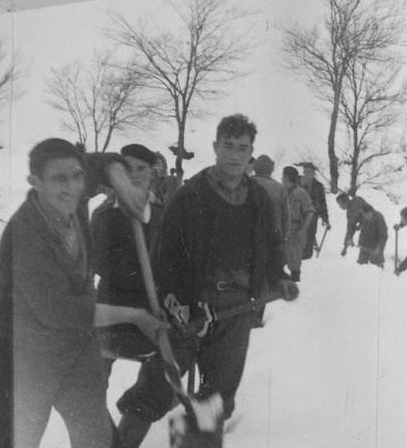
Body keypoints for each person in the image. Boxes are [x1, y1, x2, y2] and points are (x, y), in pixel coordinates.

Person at [119, 114, 299, 445]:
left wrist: (280, 276)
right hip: (191, 310)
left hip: (237, 310)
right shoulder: (190, 196)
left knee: (216, 399)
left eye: (242, 148)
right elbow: (166, 257)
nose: (234, 155)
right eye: (227, 146)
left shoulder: (259, 199)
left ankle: (193, 440)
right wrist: (179, 306)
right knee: (156, 390)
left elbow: (272, 247)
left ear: (251, 153)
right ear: (215, 147)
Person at [0, 138, 159, 448]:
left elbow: (104, 161)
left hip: (73, 350)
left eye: (76, 175)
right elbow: (65, 311)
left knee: (100, 441)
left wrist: (124, 186)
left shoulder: (71, 196)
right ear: (34, 183)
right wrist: (135, 316)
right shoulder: (25, 237)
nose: (72, 186)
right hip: (20, 357)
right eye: (59, 179)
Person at [90, 143, 168, 447]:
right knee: (88, 384)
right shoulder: (103, 215)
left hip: (152, 310)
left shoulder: (163, 213)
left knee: (163, 378)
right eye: (127, 169)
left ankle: (129, 437)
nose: (134, 176)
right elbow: (99, 265)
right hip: (108, 309)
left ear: (153, 173)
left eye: (142, 169)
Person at [283, 166, 315, 282]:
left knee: (295, 256)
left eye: (284, 177)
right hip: (282, 227)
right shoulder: (282, 191)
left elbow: (310, 212)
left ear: (287, 177)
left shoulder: (301, 193)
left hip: (296, 227)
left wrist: (303, 230)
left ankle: (295, 280)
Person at [252, 154, 289, 241]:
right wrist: (284, 235)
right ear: (271, 169)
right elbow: (285, 216)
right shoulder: (279, 188)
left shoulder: (244, 184)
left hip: (248, 236)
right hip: (272, 236)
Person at [298, 162, 329, 259]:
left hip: (312, 216)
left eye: (309, 172)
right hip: (298, 215)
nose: (307, 174)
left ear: (313, 173)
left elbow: (323, 203)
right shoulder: (297, 183)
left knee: (310, 236)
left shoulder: (318, 186)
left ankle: (307, 258)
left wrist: (325, 218)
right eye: (305, 171)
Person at [356, 203, 388, 267]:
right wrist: (360, 242)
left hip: (376, 242)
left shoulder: (379, 217)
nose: (365, 217)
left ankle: (381, 274)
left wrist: (379, 248)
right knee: (360, 265)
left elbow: (383, 235)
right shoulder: (364, 217)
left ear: (371, 212)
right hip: (366, 243)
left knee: (377, 266)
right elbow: (363, 230)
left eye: (366, 215)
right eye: (364, 215)